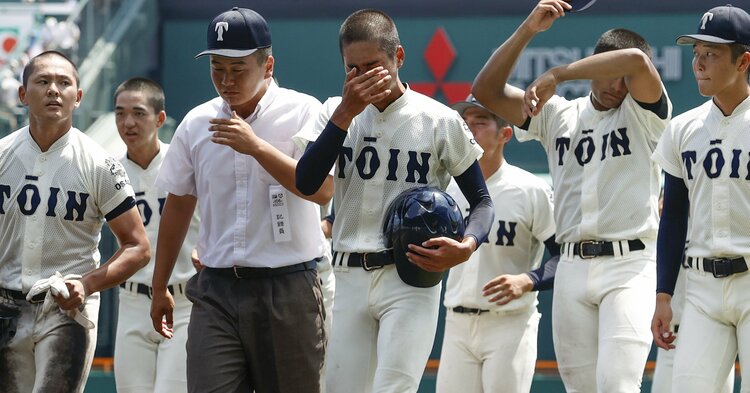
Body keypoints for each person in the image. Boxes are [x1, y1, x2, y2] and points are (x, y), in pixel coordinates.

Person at [472, 0, 672, 391]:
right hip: (571, 266)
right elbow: (485, 91)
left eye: (622, 79)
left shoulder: (646, 114)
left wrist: (558, 73)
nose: (617, 85)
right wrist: (529, 29)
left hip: (629, 265)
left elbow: (634, 60)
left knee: (617, 384)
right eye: (607, 73)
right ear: (594, 68)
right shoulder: (557, 115)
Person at [294, 9, 494, 393]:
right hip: (348, 272)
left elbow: (482, 202)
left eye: (374, 66)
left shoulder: (438, 119)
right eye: (354, 69)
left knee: (394, 388)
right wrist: (344, 114)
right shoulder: (333, 111)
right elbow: (306, 182)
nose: (364, 77)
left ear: (398, 58)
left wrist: (467, 246)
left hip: (411, 275)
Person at [149, 7, 333, 393]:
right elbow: (178, 206)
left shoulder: (304, 111)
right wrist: (160, 284)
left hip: (288, 286)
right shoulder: (197, 123)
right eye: (217, 68)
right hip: (216, 290)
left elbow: (322, 190)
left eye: (238, 69)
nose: (226, 80)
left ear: (268, 65)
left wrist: (256, 147)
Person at [0, 51, 150, 392]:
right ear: (23, 94)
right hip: (5, 306)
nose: (54, 89)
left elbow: (138, 246)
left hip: (66, 309)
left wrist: (88, 284)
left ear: (78, 98)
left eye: (64, 83)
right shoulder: (2, 155)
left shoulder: (100, 164)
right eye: (43, 81)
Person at [651, 4, 750, 392]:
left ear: (743, 61)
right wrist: (663, 295)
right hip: (702, 288)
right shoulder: (682, 129)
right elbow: (674, 217)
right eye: (696, 54)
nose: (700, 64)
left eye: (712, 54)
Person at [436, 95, 558, 393]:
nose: (471, 130)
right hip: (457, 322)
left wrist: (529, 280)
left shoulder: (531, 190)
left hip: (510, 323)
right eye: (465, 124)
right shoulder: (446, 186)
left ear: (505, 134)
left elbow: (566, 256)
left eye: (480, 122)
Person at [111, 77, 201, 393]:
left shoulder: (185, 162)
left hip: (184, 300)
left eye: (138, 113)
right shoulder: (106, 170)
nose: (128, 122)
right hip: (133, 299)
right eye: (120, 113)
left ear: (160, 118)